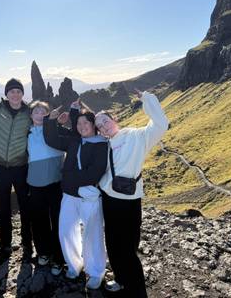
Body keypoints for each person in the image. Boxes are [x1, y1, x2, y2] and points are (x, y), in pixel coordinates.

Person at [95, 89, 169, 297]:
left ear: (114, 118)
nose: (103, 126)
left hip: (131, 199)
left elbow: (161, 124)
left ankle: (137, 291)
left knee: (129, 248)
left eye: (105, 121)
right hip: (110, 199)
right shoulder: (102, 145)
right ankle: (120, 280)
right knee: (113, 243)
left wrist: (147, 98)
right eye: (99, 126)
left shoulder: (137, 136)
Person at [43, 101, 108, 290]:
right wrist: (50, 121)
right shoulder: (74, 141)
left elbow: (94, 173)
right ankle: (74, 265)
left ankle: (96, 272)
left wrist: (68, 177)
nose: (81, 127)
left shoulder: (102, 145)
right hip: (70, 196)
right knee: (66, 231)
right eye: (78, 124)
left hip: (89, 197)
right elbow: (52, 140)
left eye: (85, 123)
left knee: (92, 234)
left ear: (93, 125)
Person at [0, 78, 33, 263]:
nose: (15, 94)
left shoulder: (29, 112)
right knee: (1, 208)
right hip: (1, 168)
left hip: (21, 167)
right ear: (6, 94)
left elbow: (45, 123)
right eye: (12, 91)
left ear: (22, 93)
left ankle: (28, 243)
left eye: (18, 91)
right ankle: (5, 245)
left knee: (26, 207)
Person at [27, 101, 68, 276]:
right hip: (35, 184)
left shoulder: (57, 130)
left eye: (43, 111)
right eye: (36, 112)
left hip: (56, 184)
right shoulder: (26, 133)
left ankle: (59, 258)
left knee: (58, 221)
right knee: (39, 221)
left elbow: (76, 137)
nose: (39, 114)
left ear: (49, 114)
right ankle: (43, 252)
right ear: (31, 116)